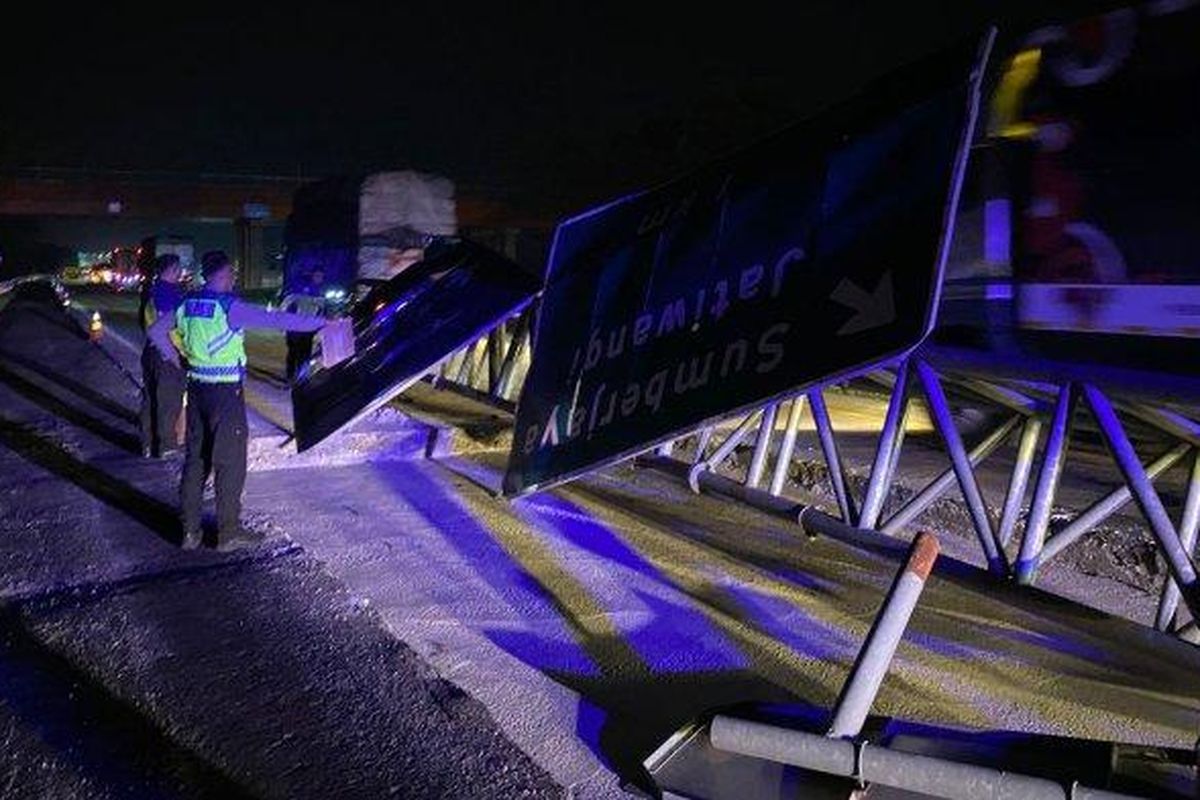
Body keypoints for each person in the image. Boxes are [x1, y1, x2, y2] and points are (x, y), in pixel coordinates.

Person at [148, 250, 329, 551]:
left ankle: (189, 532)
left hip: (197, 392)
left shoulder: (187, 304)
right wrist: (322, 324)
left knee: (196, 460)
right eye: (231, 273)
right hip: (225, 397)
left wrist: (178, 360)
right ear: (223, 274)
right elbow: (277, 319)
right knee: (230, 463)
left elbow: (156, 331)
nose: (233, 278)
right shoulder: (230, 307)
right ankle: (228, 533)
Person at [138, 253, 186, 457]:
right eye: (179, 268)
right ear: (173, 269)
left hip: (150, 352)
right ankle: (167, 445)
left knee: (150, 399)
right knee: (168, 401)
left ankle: (147, 444)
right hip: (167, 355)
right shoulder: (169, 293)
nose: (181, 272)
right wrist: (181, 354)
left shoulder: (150, 291)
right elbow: (170, 328)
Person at [281, 268, 327, 382]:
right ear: (312, 276)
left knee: (305, 354)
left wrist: (319, 326)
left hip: (308, 330)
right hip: (294, 328)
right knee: (293, 352)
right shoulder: (301, 289)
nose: (319, 278)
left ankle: (302, 377)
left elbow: (321, 312)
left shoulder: (320, 292)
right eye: (317, 276)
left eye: (321, 276)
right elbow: (286, 304)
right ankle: (290, 376)